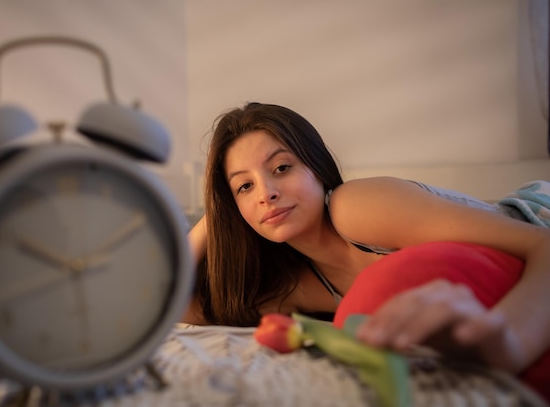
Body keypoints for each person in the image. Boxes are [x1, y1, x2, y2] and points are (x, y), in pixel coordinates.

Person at [183, 102, 550, 396]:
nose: (266, 194)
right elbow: (173, 307)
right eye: (244, 187)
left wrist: (512, 344)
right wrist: (215, 218)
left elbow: (542, 244)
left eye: (281, 167)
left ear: (317, 169)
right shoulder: (294, 286)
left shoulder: (355, 207)